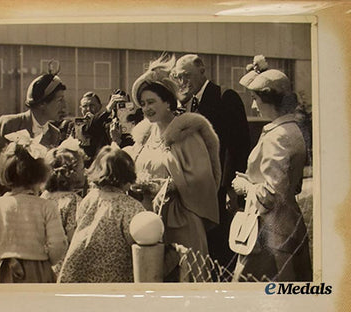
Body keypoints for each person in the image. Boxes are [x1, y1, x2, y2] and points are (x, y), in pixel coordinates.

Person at [126, 54, 221, 257]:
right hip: (148, 222)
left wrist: (165, 186)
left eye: (151, 102)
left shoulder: (186, 133)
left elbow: (202, 180)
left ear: (168, 102)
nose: (146, 109)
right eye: (143, 104)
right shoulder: (145, 135)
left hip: (180, 222)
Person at [231, 56, 312, 282]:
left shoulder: (278, 136)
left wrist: (245, 186)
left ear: (269, 100)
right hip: (288, 223)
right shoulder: (293, 129)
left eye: (255, 98)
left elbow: (271, 194)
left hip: (269, 231)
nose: (253, 105)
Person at [172, 54, 251, 269]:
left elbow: (237, 146)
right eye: (178, 77)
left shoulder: (225, 97)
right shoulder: (184, 104)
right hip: (197, 190)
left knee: (222, 246)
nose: (182, 81)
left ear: (202, 69)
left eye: (186, 75)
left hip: (219, 189)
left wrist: (230, 189)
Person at [0, 130, 67, 283]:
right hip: (38, 270)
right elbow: (58, 245)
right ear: (40, 174)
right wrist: (47, 261)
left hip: (2, 271)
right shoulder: (45, 206)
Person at [58, 145, 145, 283]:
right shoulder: (131, 206)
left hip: (82, 266)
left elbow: (79, 219)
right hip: (113, 273)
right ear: (128, 177)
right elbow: (138, 239)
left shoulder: (90, 198)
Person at [0, 72, 66, 202]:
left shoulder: (54, 134)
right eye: (60, 100)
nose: (64, 106)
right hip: (5, 204)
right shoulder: (8, 124)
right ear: (42, 104)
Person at [41, 136, 86, 244]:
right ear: (71, 173)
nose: (85, 172)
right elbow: (74, 238)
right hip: (62, 257)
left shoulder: (44, 196)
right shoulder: (73, 201)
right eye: (82, 168)